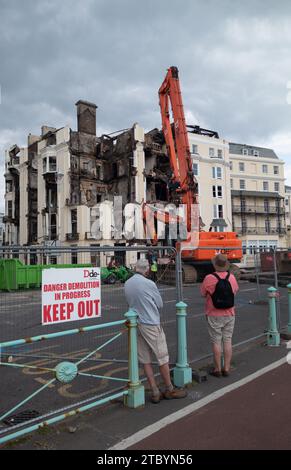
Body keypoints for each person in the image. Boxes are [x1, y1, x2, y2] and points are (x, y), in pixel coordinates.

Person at [124, 259, 187, 403]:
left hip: (136, 323)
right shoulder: (149, 283)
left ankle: (154, 391)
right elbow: (159, 304)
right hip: (151, 323)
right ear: (146, 270)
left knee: (145, 359)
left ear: (135, 269)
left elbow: (129, 302)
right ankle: (170, 389)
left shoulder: (127, 283)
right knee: (162, 357)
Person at [200, 254, 239, 378]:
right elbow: (235, 291)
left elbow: (202, 293)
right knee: (227, 340)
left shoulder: (209, 278)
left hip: (213, 313)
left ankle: (217, 369)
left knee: (216, 341)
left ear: (214, 265)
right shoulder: (231, 277)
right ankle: (226, 368)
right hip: (229, 313)